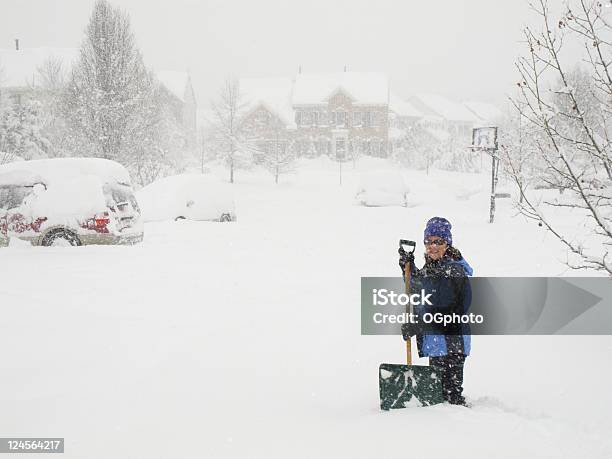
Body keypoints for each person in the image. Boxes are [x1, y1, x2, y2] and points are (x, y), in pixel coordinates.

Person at [398, 217, 473, 406]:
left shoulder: (454, 271)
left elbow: (451, 312)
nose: (432, 246)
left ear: (447, 244)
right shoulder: (432, 268)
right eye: (428, 242)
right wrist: (407, 268)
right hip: (437, 343)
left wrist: (419, 326)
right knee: (438, 396)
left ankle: (464, 429)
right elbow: (418, 288)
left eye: (438, 242)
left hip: (452, 343)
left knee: (450, 397)